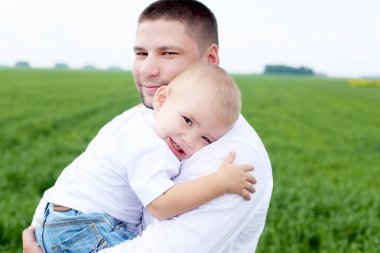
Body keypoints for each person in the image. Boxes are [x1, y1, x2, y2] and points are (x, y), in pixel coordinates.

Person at [23, 0, 273, 252]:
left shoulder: (236, 158)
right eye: (141, 53)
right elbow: (71, 183)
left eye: (168, 53)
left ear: (209, 59)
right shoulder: (142, 119)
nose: (147, 70)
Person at [33, 63, 255, 253]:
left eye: (206, 138)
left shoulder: (141, 121)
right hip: (82, 225)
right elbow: (161, 205)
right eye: (187, 120)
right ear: (161, 100)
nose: (189, 139)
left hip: (67, 219)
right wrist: (220, 182)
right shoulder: (149, 146)